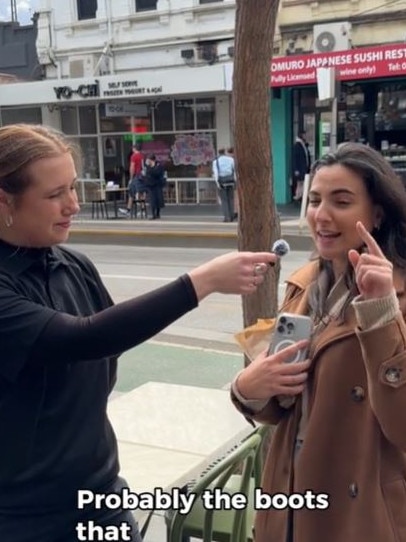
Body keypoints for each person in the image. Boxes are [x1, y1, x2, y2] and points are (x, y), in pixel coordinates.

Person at [0, 123, 278, 542]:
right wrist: (200, 282)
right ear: (4, 201)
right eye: (55, 195)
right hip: (25, 517)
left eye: (73, 188)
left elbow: (111, 341)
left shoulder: (73, 265)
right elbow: (84, 339)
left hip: (102, 497)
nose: (73, 205)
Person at [231, 142, 406, 542]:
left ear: (377, 214)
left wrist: (380, 311)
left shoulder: (398, 295)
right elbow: (286, 403)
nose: (321, 216)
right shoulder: (305, 285)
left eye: (341, 202)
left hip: (361, 514)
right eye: (313, 200)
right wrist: (248, 390)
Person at [119, 143, 146, 218]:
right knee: (139, 193)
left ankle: (129, 210)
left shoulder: (134, 156)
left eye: (133, 147)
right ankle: (141, 209)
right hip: (142, 176)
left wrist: (131, 178)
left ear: (134, 148)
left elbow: (132, 167)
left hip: (136, 176)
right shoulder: (142, 156)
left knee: (131, 192)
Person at [212, 148, 236, 223]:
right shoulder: (231, 159)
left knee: (224, 200)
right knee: (231, 199)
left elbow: (216, 174)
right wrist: (235, 181)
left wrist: (217, 183)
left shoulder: (216, 161)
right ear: (225, 152)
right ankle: (232, 216)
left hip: (222, 182)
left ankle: (227, 217)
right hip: (231, 181)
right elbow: (234, 170)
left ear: (218, 153)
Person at [143, 154, 165, 220]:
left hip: (157, 185)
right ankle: (153, 214)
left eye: (149, 160)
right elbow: (146, 174)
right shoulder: (147, 167)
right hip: (150, 186)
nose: (148, 161)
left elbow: (157, 173)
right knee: (152, 200)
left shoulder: (158, 166)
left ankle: (158, 213)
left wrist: (150, 168)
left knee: (158, 199)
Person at [292, 131, 311, 201]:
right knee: (300, 182)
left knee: (302, 182)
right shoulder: (297, 146)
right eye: (304, 135)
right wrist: (296, 169)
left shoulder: (304, 145)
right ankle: (299, 196)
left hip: (304, 168)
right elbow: (294, 158)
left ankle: (300, 196)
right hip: (300, 168)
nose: (306, 136)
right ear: (301, 136)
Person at [227, 146, 238, 221]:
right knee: (236, 197)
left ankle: (235, 211)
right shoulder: (236, 159)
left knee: (234, 197)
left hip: (233, 180)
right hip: (236, 179)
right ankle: (236, 211)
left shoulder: (231, 160)